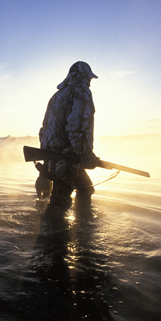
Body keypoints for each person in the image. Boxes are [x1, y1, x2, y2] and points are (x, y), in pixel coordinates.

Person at [37, 61, 100, 217]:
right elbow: (77, 127)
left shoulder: (57, 96)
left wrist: (46, 163)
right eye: (89, 78)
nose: (90, 82)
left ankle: (83, 226)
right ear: (83, 76)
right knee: (59, 204)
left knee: (86, 188)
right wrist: (86, 155)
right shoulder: (81, 92)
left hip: (53, 157)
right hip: (67, 158)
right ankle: (54, 236)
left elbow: (45, 130)